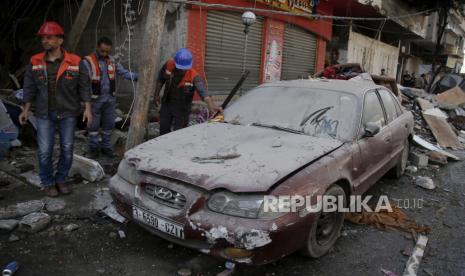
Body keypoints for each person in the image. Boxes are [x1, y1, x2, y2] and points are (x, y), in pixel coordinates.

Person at [19, 21, 92, 197]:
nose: (45, 41)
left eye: (49, 37)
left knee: (67, 148)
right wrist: (25, 109)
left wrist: (88, 109)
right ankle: (47, 182)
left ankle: (61, 179)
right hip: (44, 113)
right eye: (43, 38)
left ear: (60, 40)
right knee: (45, 150)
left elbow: (84, 87)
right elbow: (29, 87)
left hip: (68, 112)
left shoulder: (75, 61)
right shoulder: (35, 61)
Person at [83, 37, 138, 158]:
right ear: (97, 47)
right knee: (93, 127)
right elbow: (83, 83)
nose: (105, 54)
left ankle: (106, 148)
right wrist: (85, 101)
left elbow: (123, 72)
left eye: (107, 51)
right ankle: (94, 149)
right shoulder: (88, 62)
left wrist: (138, 77)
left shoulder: (112, 61)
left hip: (110, 99)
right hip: (95, 100)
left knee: (109, 125)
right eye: (102, 51)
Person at [154, 48, 220, 135]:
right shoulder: (169, 65)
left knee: (179, 133)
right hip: (167, 104)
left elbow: (204, 93)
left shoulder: (194, 76)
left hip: (182, 109)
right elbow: (160, 79)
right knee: (163, 130)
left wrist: (211, 107)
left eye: (184, 69)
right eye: (179, 68)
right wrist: (156, 95)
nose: (181, 71)